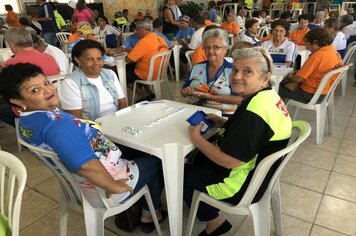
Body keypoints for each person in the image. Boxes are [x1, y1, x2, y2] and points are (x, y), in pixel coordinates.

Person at [0, 63, 166, 234]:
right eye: (35, 90)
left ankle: (147, 207)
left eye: (46, 83)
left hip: (76, 183)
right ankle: (149, 213)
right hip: (103, 184)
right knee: (159, 158)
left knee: (138, 150)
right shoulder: (57, 125)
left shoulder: (26, 122)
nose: (48, 90)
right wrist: (113, 185)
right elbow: (86, 165)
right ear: (17, 100)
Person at [184, 47, 292, 236]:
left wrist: (195, 137)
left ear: (265, 78)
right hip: (256, 173)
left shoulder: (256, 111)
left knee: (178, 172)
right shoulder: (266, 96)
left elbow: (230, 161)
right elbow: (251, 134)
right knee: (197, 158)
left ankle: (214, 222)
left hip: (237, 184)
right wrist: (222, 121)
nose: (236, 76)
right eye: (235, 70)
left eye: (247, 71)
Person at [58, 40, 125, 120]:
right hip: (92, 128)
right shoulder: (70, 83)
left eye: (99, 58)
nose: (96, 63)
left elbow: (122, 102)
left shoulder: (110, 74)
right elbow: (77, 120)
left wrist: (122, 121)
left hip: (116, 120)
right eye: (90, 59)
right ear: (77, 60)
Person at [181, 28, 243, 115]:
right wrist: (185, 92)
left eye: (216, 47)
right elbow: (184, 91)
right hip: (193, 113)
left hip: (223, 117)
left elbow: (239, 99)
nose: (210, 51)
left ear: (225, 49)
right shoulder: (197, 67)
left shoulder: (233, 71)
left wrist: (211, 97)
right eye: (207, 47)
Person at [279, 28, 343, 103]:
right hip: (325, 93)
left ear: (315, 42)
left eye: (307, 43)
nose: (306, 47)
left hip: (309, 95)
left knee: (274, 88)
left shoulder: (318, 56)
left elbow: (298, 79)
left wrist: (289, 75)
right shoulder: (333, 51)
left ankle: (278, 112)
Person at [125, 18, 169, 100]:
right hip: (160, 72)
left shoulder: (144, 42)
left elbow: (128, 60)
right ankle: (150, 93)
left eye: (136, 29)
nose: (135, 32)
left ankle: (145, 95)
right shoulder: (160, 38)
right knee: (136, 68)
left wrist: (127, 53)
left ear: (141, 29)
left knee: (124, 76)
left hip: (148, 74)